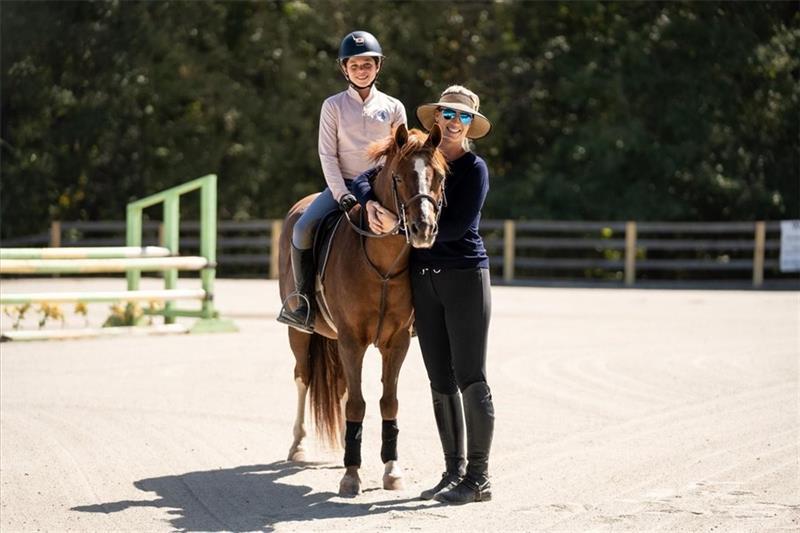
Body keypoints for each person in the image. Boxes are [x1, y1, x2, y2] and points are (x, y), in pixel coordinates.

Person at [351, 85, 495, 504]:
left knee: (471, 376)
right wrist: (369, 205)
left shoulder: (473, 168)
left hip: (464, 274)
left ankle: (479, 477)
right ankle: (453, 472)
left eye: (462, 117)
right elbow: (365, 177)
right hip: (423, 278)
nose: (453, 122)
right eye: (447, 114)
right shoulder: (417, 151)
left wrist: (399, 225)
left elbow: (456, 226)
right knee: (440, 378)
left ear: (470, 125)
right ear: (436, 119)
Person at [277, 30, 407, 332]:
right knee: (302, 228)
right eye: (355, 66)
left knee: (413, 229)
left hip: (381, 187)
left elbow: (399, 156)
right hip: (344, 186)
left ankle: (415, 310)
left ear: (378, 67)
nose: (361, 71)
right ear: (344, 69)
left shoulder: (393, 107)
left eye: (367, 65)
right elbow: (327, 154)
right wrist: (341, 194)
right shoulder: (333, 106)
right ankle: (303, 303)